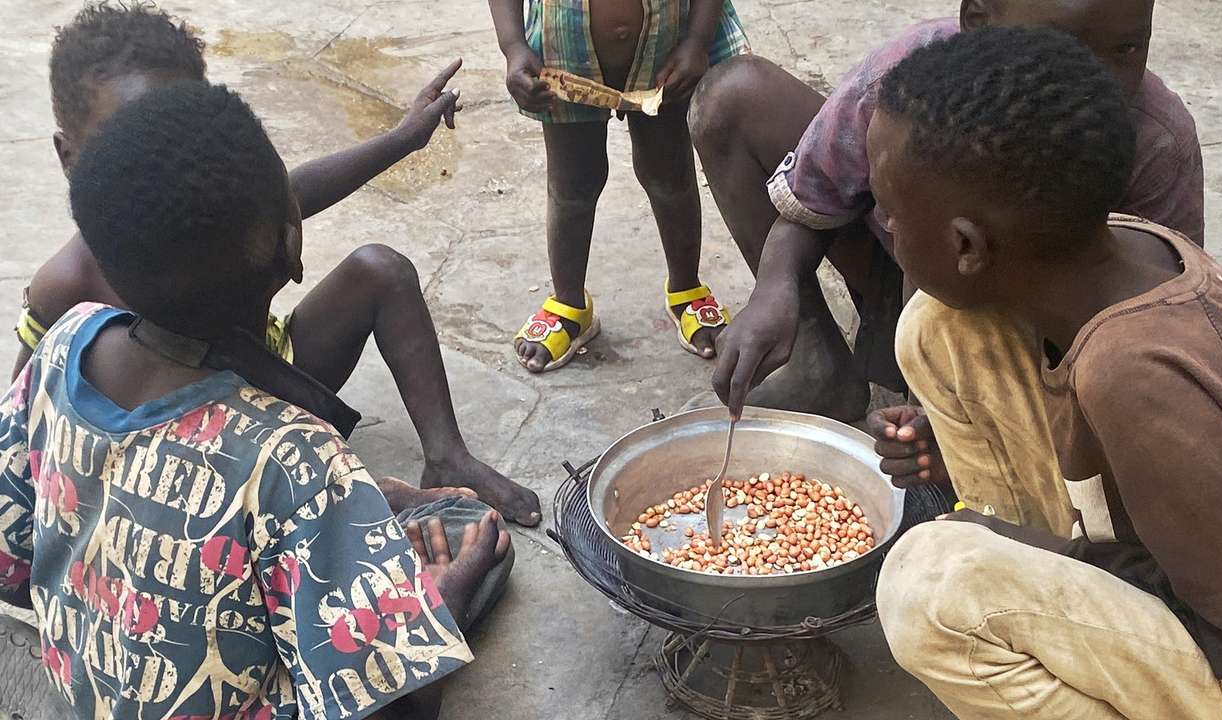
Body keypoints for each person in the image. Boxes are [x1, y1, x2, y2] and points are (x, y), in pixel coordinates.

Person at [0, 79, 513, 719]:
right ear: (291, 251)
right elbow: (397, 714)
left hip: (80, 694)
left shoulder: (62, 343)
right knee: (472, 546)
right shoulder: (292, 455)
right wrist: (443, 602)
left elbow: (13, 565)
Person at [864, 27, 1222, 719]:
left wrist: (1025, 549)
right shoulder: (1126, 247)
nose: (885, 224)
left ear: (966, 245)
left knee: (930, 587)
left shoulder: (1134, 375)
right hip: (1194, 569)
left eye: (891, 213)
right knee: (940, 328)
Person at [16, 1, 541, 526]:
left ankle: (447, 455)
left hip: (280, 371)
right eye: (130, 136)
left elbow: (288, 192)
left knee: (380, 269)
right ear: (69, 157)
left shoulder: (207, 196)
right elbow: (22, 426)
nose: (159, 152)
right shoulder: (66, 284)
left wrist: (403, 139)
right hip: (186, 448)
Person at [696, 0, 1203, 438]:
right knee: (734, 96)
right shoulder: (909, 79)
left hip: (1042, 321)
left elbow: (1159, 323)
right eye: (1057, 46)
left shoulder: (1156, 141)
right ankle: (822, 367)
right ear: (978, 19)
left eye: (1128, 50)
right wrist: (775, 287)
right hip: (917, 262)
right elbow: (812, 196)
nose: (1092, 80)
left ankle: (952, 405)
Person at [489, 0, 747, 373]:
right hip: (567, 47)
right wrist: (513, 46)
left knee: (669, 175)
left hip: (666, 45)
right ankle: (570, 303)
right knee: (573, 184)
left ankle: (685, 286)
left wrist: (696, 40)